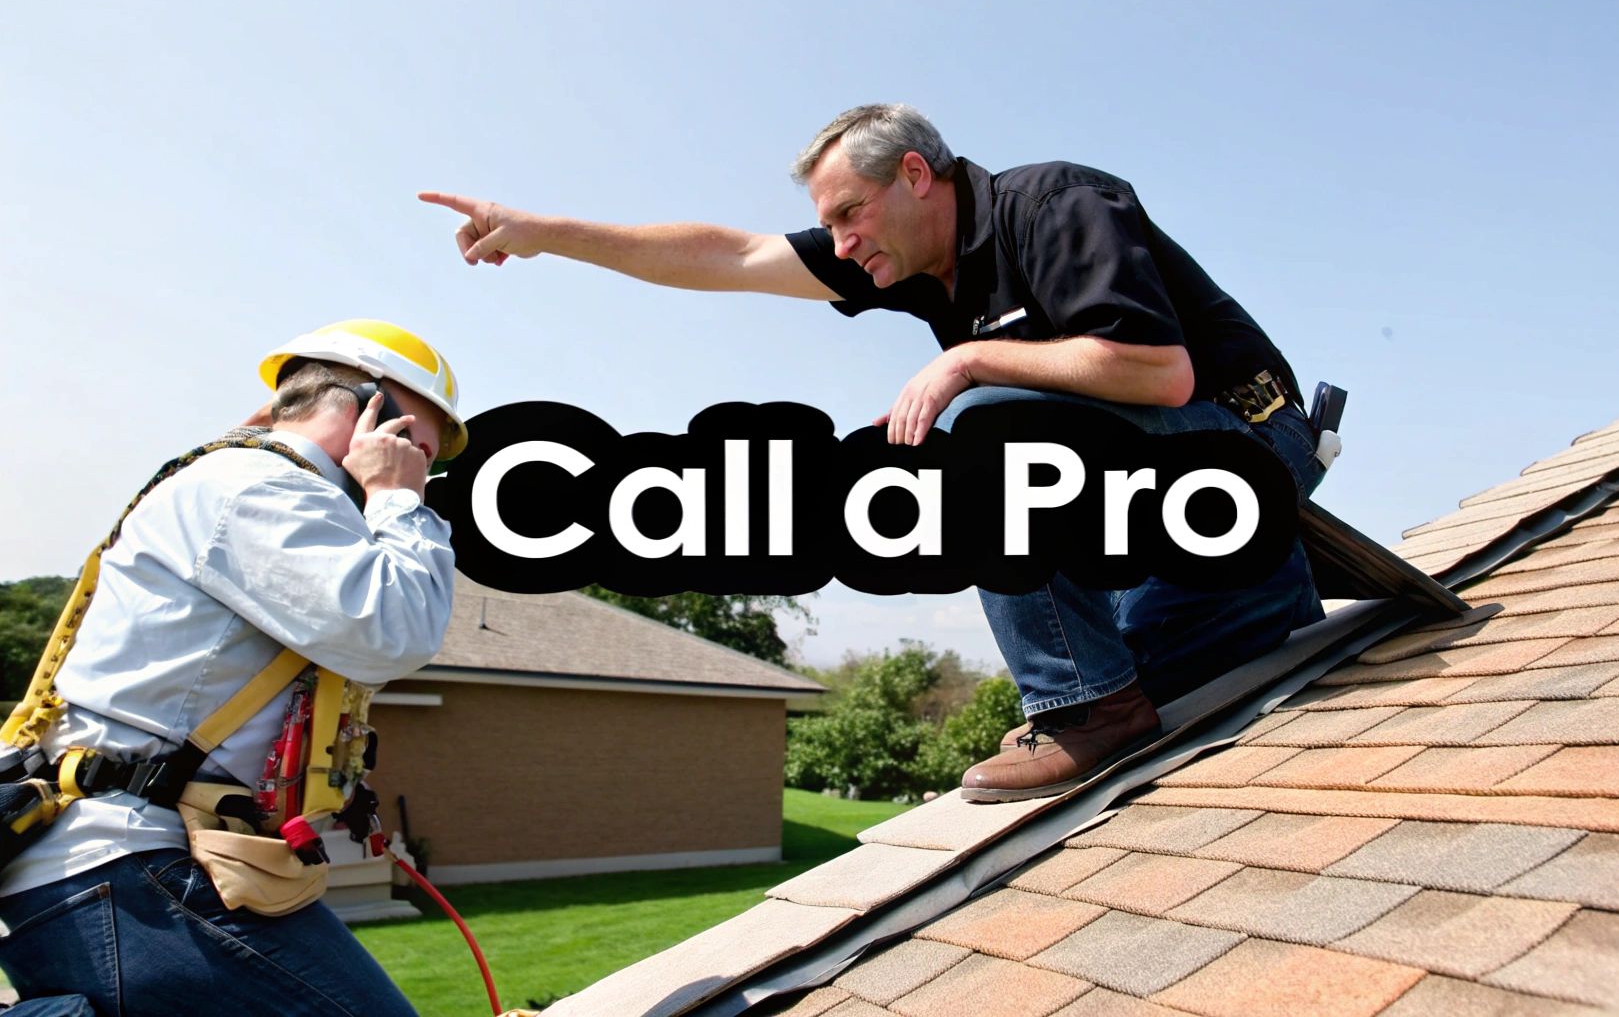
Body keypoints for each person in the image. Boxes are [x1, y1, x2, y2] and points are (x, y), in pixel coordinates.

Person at [420, 104, 1324, 803]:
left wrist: (966, 359)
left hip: (1245, 437)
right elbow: (731, 256)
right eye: (832, 226)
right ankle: (1237, 605)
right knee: (1162, 669)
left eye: (852, 215)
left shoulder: (1056, 203)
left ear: (918, 175)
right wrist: (549, 236)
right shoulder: (900, 255)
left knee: (979, 430)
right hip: (1148, 478)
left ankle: (1086, 703)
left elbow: (1161, 374)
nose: (844, 245)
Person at [0, 320, 466, 1016]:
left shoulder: (242, 483)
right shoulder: (261, 486)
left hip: (118, 872)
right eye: (416, 446)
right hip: (132, 866)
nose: (420, 470)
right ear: (371, 412)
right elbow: (392, 630)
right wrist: (400, 498)